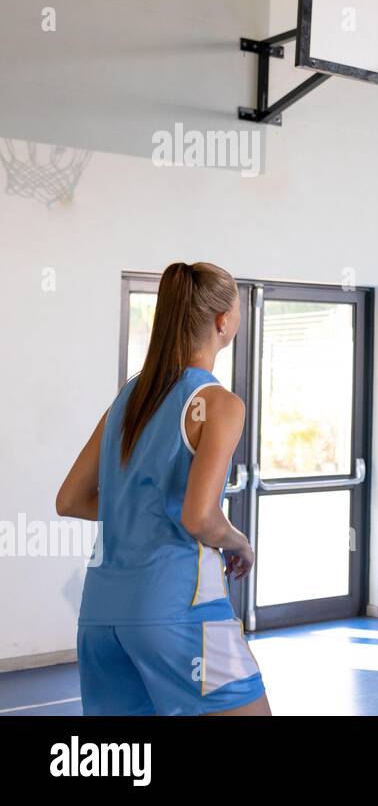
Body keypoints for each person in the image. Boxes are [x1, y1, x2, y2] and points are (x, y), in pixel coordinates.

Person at [56, 261, 269, 715]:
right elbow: (200, 517)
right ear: (223, 322)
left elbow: (70, 500)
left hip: (101, 617)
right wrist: (239, 542)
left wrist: (138, 502)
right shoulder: (219, 403)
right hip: (180, 611)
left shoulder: (128, 399)